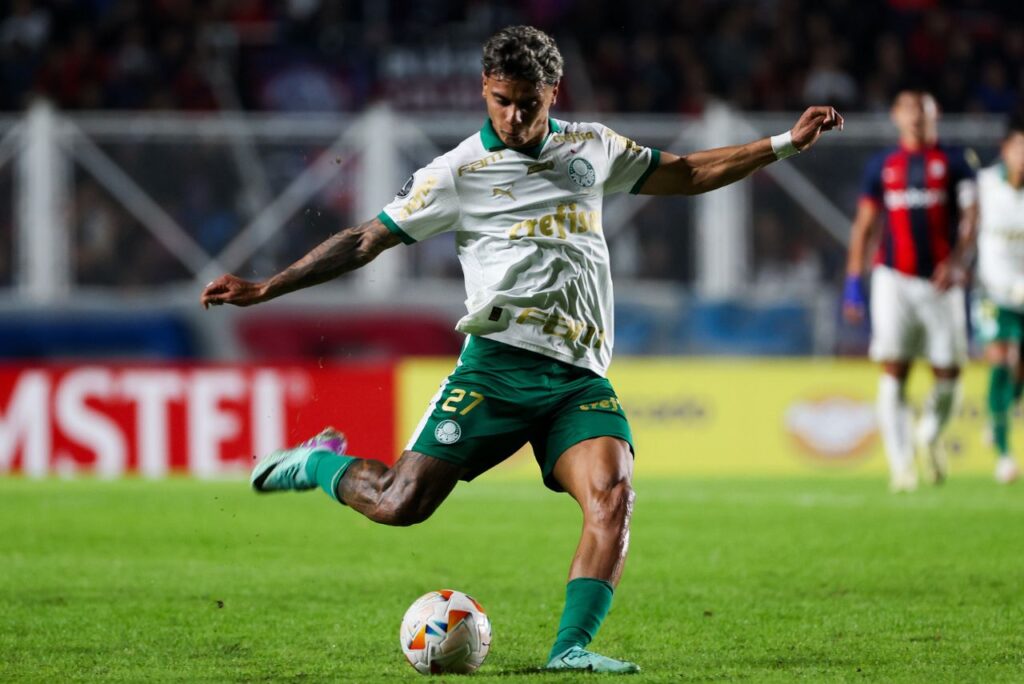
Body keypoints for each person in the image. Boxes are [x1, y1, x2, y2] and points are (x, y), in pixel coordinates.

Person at [201, 25, 842, 673]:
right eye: (501, 100)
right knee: (400, 504)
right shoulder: (456, 173)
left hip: (579, 378)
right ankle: (319, 466)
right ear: (485, 90)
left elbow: (688, 172)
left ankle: (570, 649)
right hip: (498, 367)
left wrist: (786, 143)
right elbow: (366, 240)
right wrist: (266, 287)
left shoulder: (590, 148)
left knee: (613, 496)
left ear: (551, 94)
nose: (513, 116)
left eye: (527, 103)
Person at [843, 90, 978, 492]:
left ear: (936, 114)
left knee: (949, 373)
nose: (917, 116)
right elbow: (865, 225)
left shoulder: (955, 161)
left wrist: (957, 262)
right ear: (896, 116)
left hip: (941, 281)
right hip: (893, 279)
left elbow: (972, 216)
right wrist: (853, 282)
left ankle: (931, 435)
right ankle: (901, 466)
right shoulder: (883, 165)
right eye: (909, 109)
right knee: (894, 369)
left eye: (924, 109)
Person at [974, 115, 1024, 484]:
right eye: (1018, 148)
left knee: (1019, 369)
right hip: (992, 292)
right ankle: (1004, 456)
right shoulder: (985, 185)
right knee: (1002, 358)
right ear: (1005, 151)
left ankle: (999, 416)